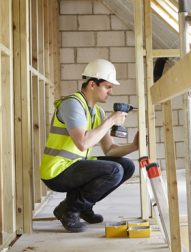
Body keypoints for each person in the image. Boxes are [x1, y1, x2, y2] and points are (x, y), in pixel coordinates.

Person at [40, 59, 138, 232]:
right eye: (108, 86)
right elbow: (83, 143)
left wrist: (134, 146)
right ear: (93, 84)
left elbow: (110, 150)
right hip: (57, 171)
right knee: (114, 171)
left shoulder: (97, 111)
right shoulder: (72, 104)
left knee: (127, 166)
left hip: (75, 167)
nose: (111, 91)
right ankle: (69, 209)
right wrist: (111, 120)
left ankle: (84, 207)